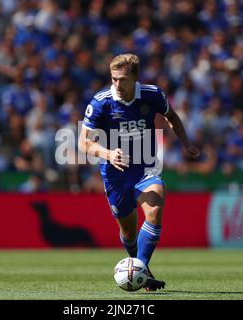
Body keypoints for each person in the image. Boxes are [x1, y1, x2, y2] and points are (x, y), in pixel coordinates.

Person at [78, 54, 200, 291]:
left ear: (135, 78)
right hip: (115, 173)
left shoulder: (153, 95)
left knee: (154, 208)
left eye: (122, 79)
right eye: (114, 79)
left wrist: (186, 144)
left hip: (146, 166)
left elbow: (172, 116)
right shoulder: (101, 102)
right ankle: (139, 266)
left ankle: (138, 269)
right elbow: (84, 143)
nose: (117, 85)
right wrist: (108, 154)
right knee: (129, 232)